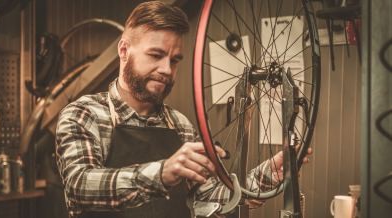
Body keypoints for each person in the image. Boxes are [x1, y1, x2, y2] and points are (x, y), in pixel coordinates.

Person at [56, 1, 310, 218]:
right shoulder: (83, 114)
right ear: (124, 50)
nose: (167, 69)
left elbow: (208, 197)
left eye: (174, 60)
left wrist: (265, 177)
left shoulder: (178, 124)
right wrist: (162, 173)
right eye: (156, 55)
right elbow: (80, 187)